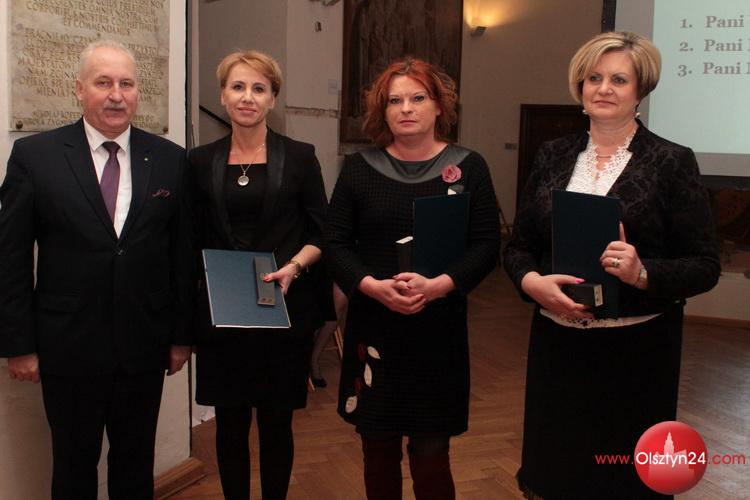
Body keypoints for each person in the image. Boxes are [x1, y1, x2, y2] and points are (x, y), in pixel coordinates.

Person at [503, 31, 720, 499]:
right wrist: (531, 282)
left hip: (636, 353)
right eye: (594, 78)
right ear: (580, 87)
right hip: (557, 345)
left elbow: (705, 265)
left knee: (620, 481)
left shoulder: (672, 161)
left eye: (619, 80)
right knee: (556, 473)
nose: (603, 88)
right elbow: (519, 246)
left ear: (641, 91)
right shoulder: (552, 154)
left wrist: (642, 272)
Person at [0, 40, 193, 499]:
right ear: (79, 90)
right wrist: (18, 345)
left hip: (143, 346)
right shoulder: (35, 156)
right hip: (67, 347)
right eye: (103, 82)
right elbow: (10, 258)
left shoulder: (170, 159)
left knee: (135, 465)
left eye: (126, 84)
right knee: (72, 466)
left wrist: (181, 336)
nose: (116, 95)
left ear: (138, 92)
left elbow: (181, 256)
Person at [326, 57, 501, 500]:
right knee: (377, 450)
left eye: (418, 98)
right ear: (382, 111)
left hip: (437, 331)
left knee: (432, 454)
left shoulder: (469, 167)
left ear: (439, 105)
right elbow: (336, 244)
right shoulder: (359, 168)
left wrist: (440, 285)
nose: (406, 108)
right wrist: (372, 287)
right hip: (374, 327)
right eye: (394, 101)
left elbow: (486, 246)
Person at [188, 50, 328, 500]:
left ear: (272, 99)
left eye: (258, 88)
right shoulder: (199, 161)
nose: (247, 97)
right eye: (238, 87)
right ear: (223, 96)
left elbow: (322, 233)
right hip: (223, 315)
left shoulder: (300, 158)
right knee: (229, 425)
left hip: (282, 310)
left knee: (276, 423)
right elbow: (190, 237)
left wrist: (296, 265)